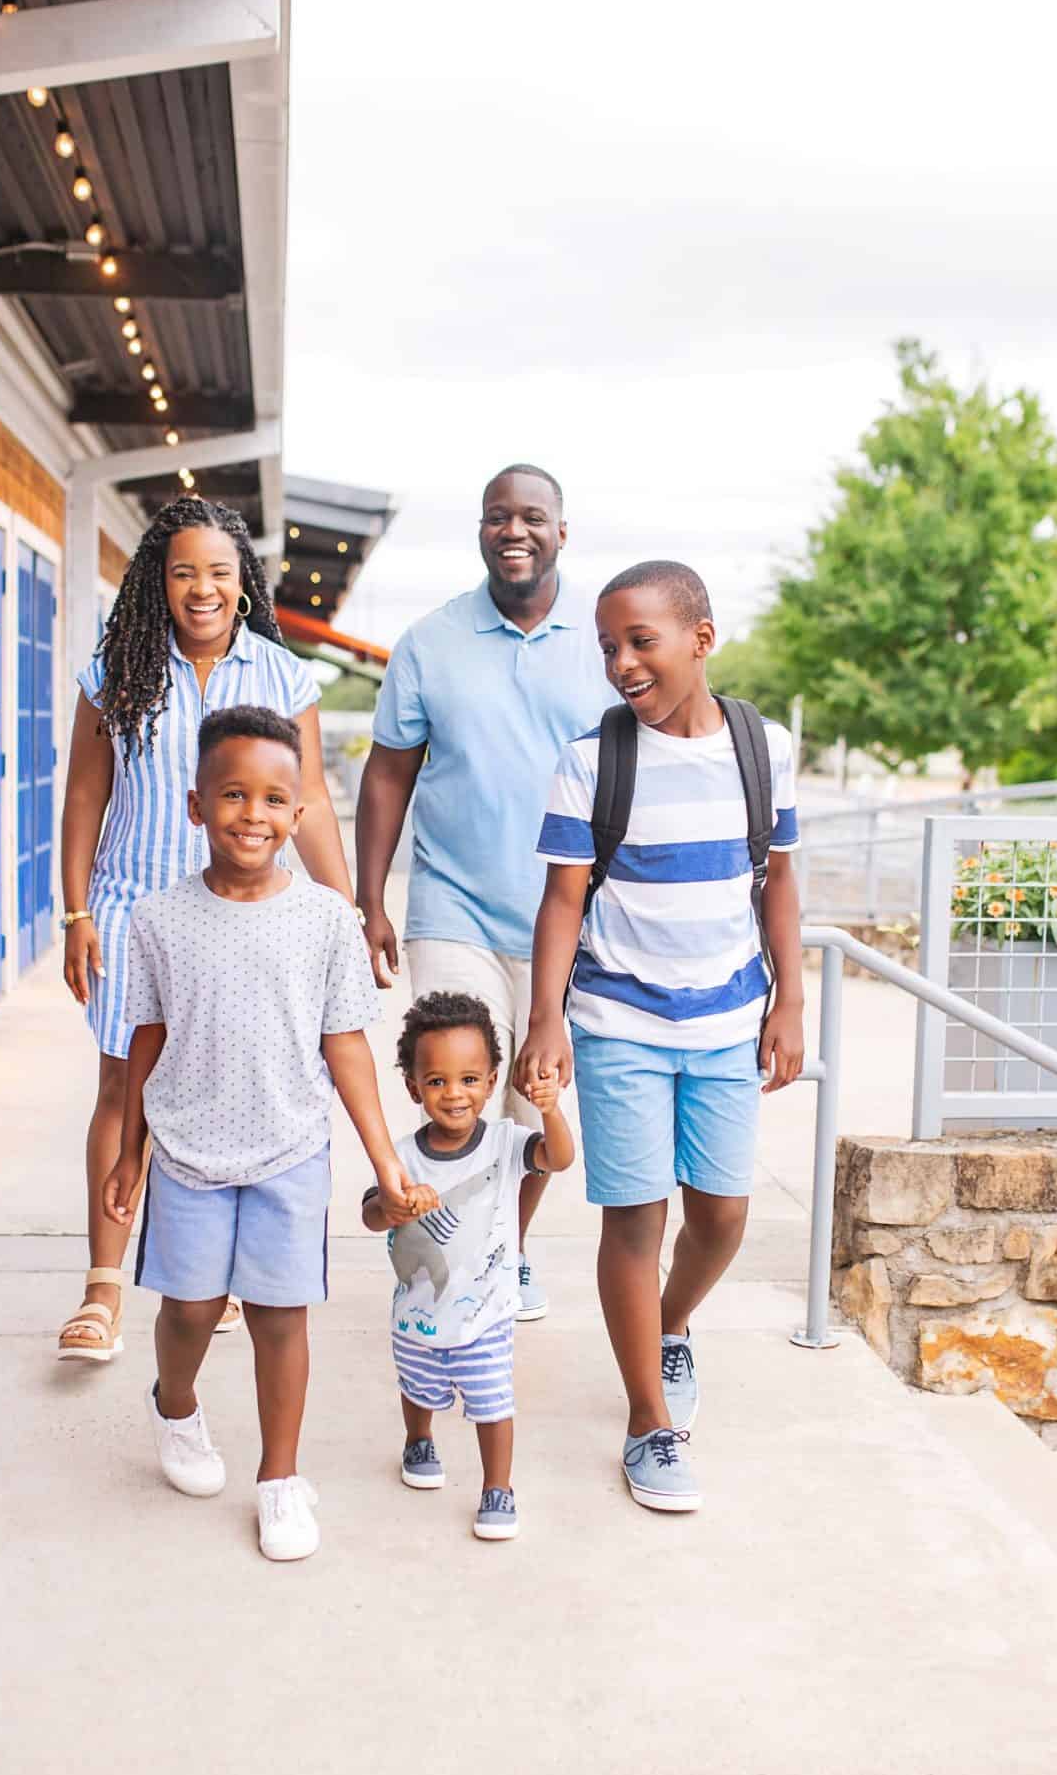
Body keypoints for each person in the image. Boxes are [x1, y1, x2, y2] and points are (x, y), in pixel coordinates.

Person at [101, 705, 426, 1561]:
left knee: (283, 1315)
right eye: (233, 794)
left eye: (274, 799)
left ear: (299, 813)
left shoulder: (325, 920)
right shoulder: (157, 919)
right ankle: (174, 1406)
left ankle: (280, 1478)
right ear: (195, 805)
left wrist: (385, 1158)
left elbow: (346, 1043)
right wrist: (130, 1151)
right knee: (194, 1308)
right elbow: (146, 1037)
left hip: (289, 1147)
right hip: (185, 1149)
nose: (254, 814)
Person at [516, 560, 804, 1515]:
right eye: (607, 646)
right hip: (618, 1022)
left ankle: (670, 1325)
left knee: (721, 1215)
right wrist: (546, 1016)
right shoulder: (591, 759)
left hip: (726, 1021)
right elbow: (563, 899)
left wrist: (790, 1002)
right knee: (635, 1219)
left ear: (700, 639)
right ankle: (649, 1423)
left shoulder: (764, 750)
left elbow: (779, 881)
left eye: (641, 640)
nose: (621, 663)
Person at [57, 497, 354, 1363]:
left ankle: (202, 1272)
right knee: (124, 1087)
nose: (201, 588)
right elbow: (84, 795)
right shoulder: (115, 670)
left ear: (244, 586)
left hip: (248, 914)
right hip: (132, 907)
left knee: (229, 1079)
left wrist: (347, 909)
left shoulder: (281, 675)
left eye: (219, 572)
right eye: (183, 570)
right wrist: (76, 910)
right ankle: (103, 1289)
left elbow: (315, 802)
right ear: (158, 578)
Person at [356, 464, 608, 1321]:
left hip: (564, 915)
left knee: (527, 1098)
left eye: (532, 517)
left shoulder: (602, 643)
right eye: (497, 517)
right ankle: (443, 1260)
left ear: (560, 533)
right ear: (479, 531)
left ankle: (507, 1248)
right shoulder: (430, 641)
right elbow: (388, 773)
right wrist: (370, 896)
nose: (514, 531)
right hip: (452, 904)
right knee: (458, 1079)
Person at [362, 990, 574, 1541]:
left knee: (492, 1401)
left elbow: (559, 1158)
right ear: (414, 1086)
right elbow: (369, 1215)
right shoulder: (401, 1156)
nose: (454, 1094)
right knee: (418, 1388)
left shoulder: (506, 1143)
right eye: (437, 1081)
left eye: (469, 1079)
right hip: (417, 1312)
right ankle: (418, 1439)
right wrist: (393, 1204)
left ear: (492, 1079)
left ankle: (497, 1487)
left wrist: (549, 1108)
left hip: (487, 1314)